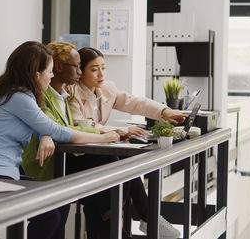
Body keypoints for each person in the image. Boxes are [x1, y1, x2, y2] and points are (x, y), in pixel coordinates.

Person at [0, 41, 119, 239]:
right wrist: (104, 138)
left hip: (4, 173)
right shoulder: (19, 97)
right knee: (50, 214)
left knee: (59, 200)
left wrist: (45, 135)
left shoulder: (15, 93)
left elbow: (44, 127)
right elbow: (57, 130)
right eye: (50, 71)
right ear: (37, 74)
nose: (52, 75)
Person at [68, 47, 186, 239]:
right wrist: (121, 131)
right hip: (77, 156)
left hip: (98, 155)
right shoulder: (71, 92)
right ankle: (145, 217)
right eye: (94, 69)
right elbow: (83, 124)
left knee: (122, 162)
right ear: (80, 71)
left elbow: (134, 102)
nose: (101, 74)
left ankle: (136, 222)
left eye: (103, 68)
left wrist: (164, 112)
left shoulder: (106, 88)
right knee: (117, 165)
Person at [21, 41, 100, 181]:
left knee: (121, 163)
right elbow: (56, 128)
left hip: (62, 159)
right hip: (45, 164)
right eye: (76, 66)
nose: (80, 72)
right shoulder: (38, 95)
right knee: (110, 162)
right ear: (57, 67)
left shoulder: (63, 96)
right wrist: (101, 133)